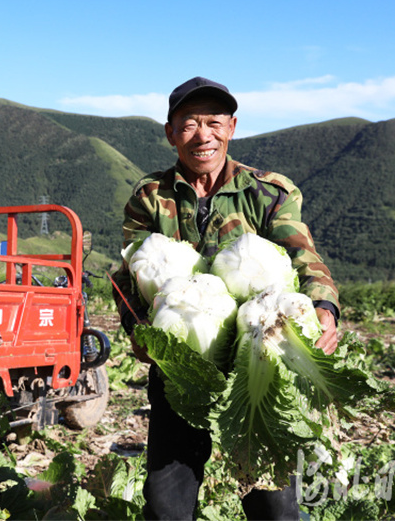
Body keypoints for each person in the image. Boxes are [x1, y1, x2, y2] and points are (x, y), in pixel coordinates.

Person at [111, 76, 340, 520]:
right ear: (170, 132)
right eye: (190, 123)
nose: (203, 135)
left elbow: (304, 258)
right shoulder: (149, 198)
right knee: (166, 506)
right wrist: (138, 329)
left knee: (274, 506)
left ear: (231, 127)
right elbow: (128, 276)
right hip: (182, 374)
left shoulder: (269, 192)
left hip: (258, 369)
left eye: (214, 122)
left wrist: (323, 307)